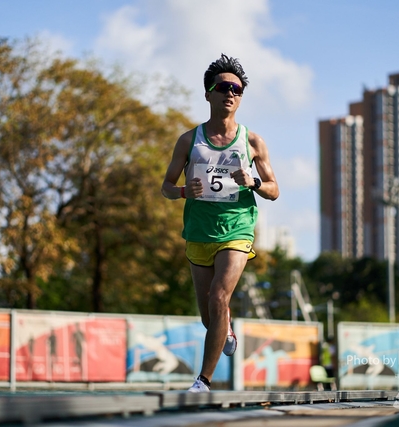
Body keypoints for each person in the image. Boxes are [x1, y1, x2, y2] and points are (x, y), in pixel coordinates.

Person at [161, 54, 279, 392]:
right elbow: (165, 187)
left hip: (237, 229)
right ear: (208, 93)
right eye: (224, 87)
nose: (231, 93)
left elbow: (274, 190)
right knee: (209, 316)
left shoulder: (252, 142)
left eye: (238, 89)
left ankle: (203, 380)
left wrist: (253, 182)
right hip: (199, 232)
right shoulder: (189, 140)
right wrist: (184, 190)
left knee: (219, 297)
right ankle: (224, 329)